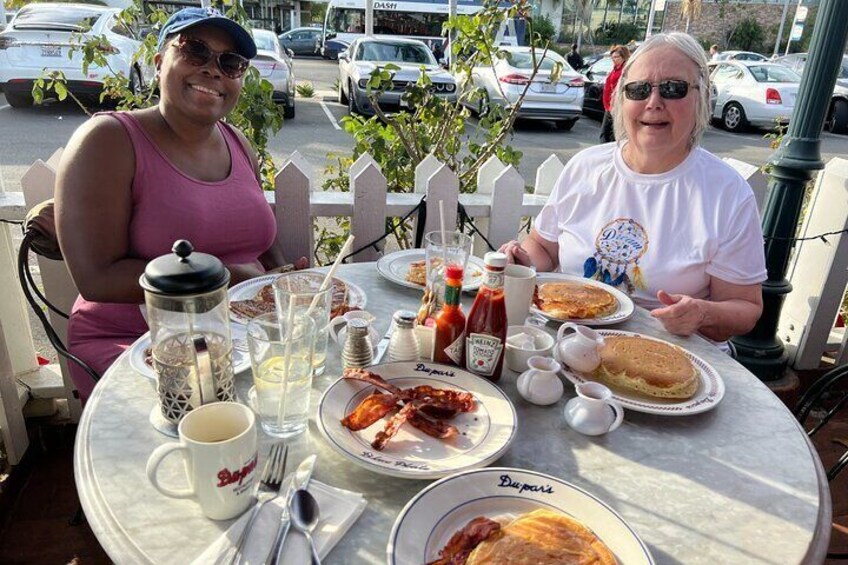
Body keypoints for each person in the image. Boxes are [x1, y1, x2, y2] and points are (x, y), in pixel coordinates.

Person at [55, 7, 302, 401]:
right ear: (158, 63)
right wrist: (221, 281)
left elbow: (261, 235)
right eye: (194, 51)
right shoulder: (108, 140)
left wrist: (282, 282)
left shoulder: (237, 142)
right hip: (137, 340)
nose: (213, 70)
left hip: (235, 333)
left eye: (230, 62)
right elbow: (96, 277)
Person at [499, 32, 765, 348]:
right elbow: (544, 248)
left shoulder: (727, 193)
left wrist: (703, 314)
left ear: (701, 98)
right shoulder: (586, 166)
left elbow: (745, 307)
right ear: (621, 100)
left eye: (673, 89)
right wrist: (523, 263)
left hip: (673, 350)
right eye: (638, 89)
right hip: (571, 338)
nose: (654, 102)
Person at [600, 44, 629, 143]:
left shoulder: (625, 70)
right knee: (606, 133)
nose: (614, 59)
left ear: (623, 57)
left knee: (610, 134)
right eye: (612, 57)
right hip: (610, 105)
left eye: (616, 57)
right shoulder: (615, 68)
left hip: (617, 105)